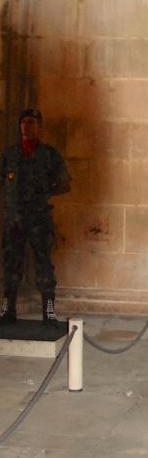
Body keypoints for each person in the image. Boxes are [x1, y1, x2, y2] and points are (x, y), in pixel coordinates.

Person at [0, 108, 71, 327]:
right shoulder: (9, 154)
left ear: (39, 126)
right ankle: (7, 308)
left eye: (31, 122)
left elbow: (64, 182)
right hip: (14, 219)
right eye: (23, 122)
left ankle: (48, 310)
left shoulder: (49, 154)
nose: (26, 126)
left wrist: (44, 192)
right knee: (11, 263)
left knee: (43, 264)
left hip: (39, 218)